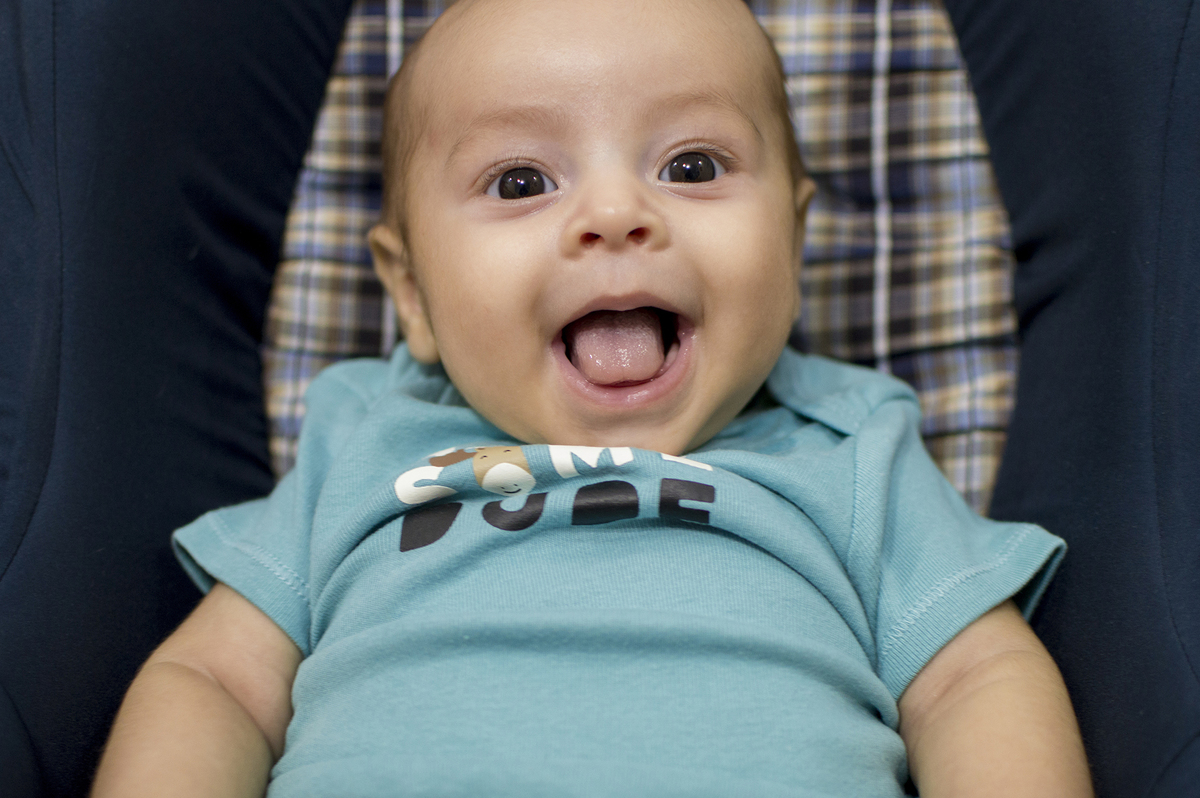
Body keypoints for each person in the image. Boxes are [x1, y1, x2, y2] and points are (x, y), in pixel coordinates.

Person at [91, 0, 1092, 795]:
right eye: (521, 181)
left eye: (691, 166)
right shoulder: (367, 432)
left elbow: (973, 681)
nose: (616, 214)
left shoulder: (849, 447)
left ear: (793, 244)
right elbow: (216, 682)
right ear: (412, 296)